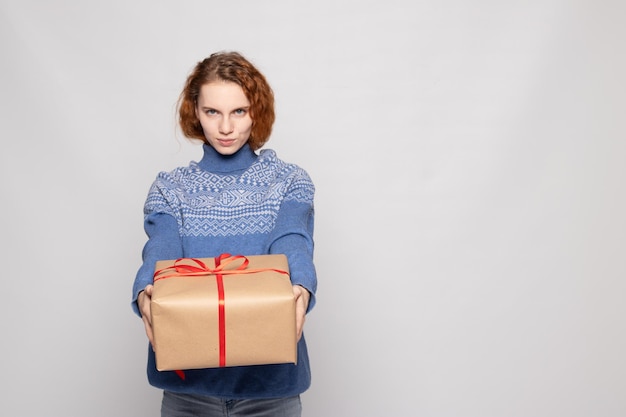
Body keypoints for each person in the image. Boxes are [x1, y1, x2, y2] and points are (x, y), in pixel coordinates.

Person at [131, 51, 317, 417]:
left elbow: (292, 240)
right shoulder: (171, 188)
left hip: (271, 393)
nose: (226, 127)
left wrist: (302, 283)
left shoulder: (290, 181)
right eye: (212, 112)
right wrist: (145, 288)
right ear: (195, 113)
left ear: (256, 112)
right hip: (189, 394)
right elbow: (162, 250)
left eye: (239, 112)